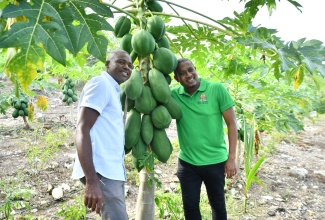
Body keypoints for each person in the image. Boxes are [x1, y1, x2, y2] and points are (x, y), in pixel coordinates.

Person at [171, 58, 238, 220]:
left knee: (217, 205)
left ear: (195, 68)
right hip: (188, 164)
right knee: (190, 208)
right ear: (177, 78)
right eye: (182, 73)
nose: (188, 75)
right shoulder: (173, 95)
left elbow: (232, 124)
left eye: (190, 70)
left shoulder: (216, 89)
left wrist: (231, 159)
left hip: (215, 162)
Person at [71, 50, 134, 219]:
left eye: (130, 65)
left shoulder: (113, 89)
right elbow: (81, 130)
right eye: (121, 62)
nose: (126, 67)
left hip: (109, 171)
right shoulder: (101, 84)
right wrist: (91, 181)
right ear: (107, 64)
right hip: (100, 172)